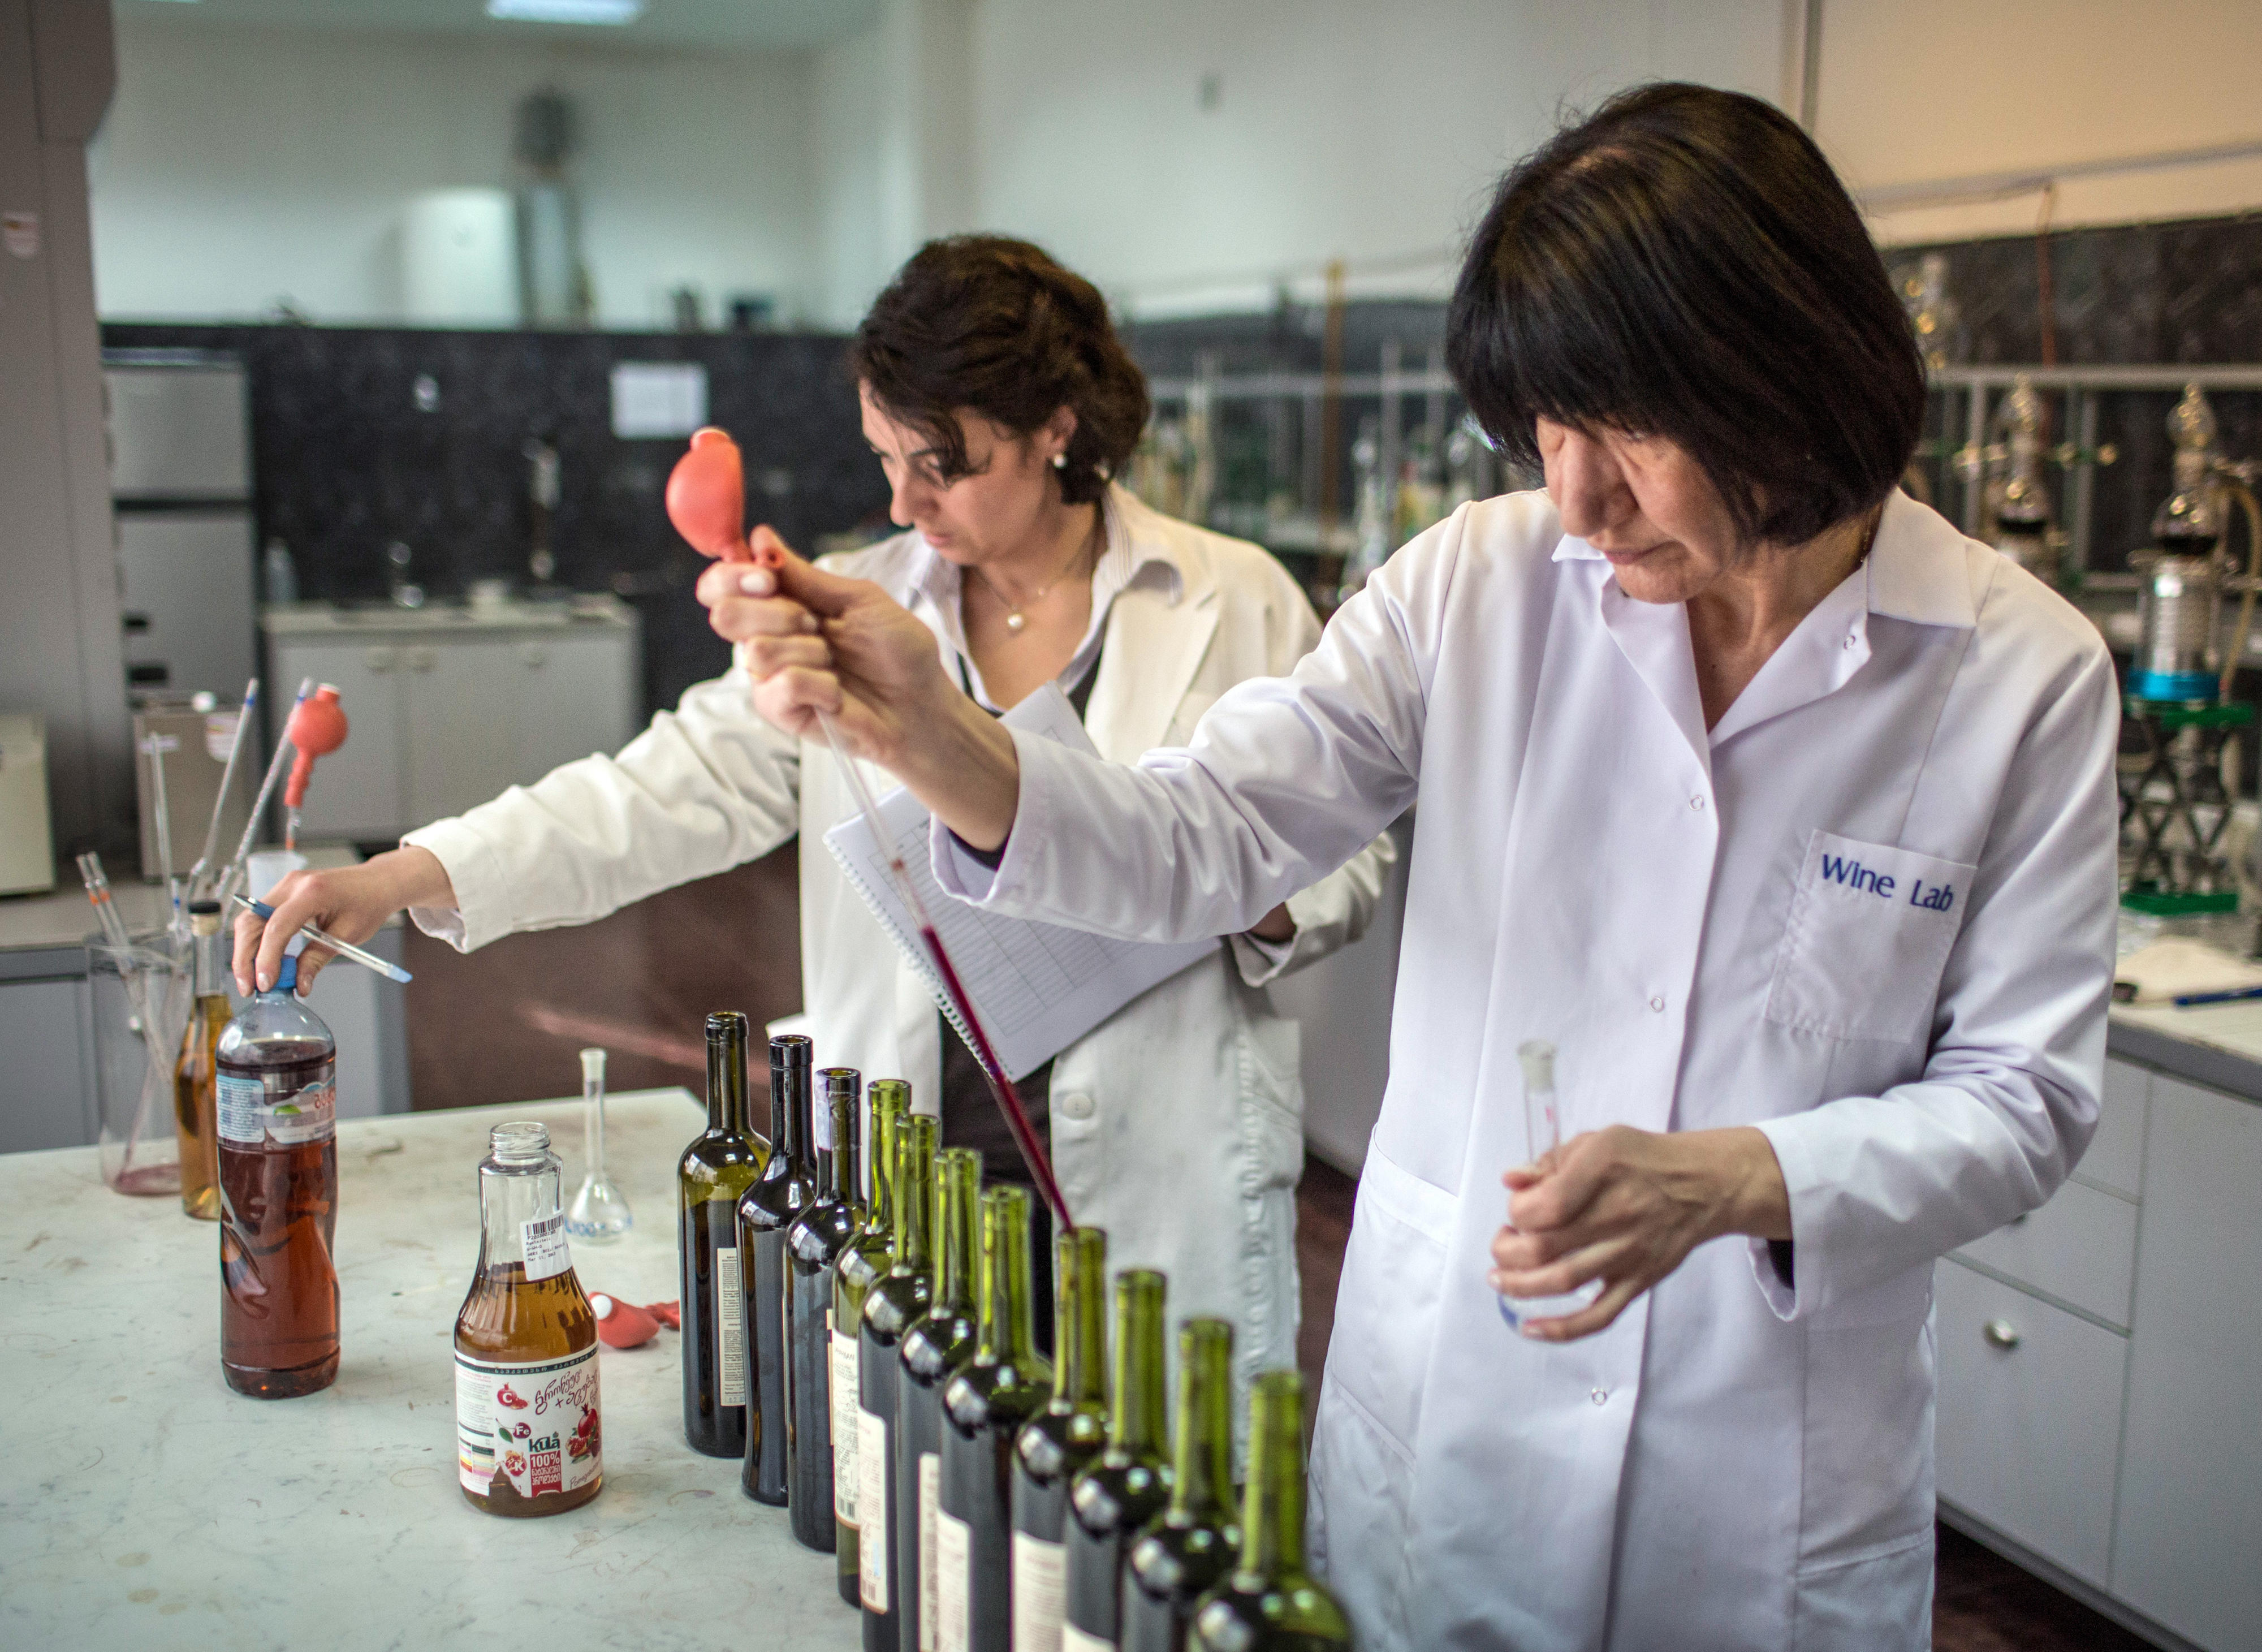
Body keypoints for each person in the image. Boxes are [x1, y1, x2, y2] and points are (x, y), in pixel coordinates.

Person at [725, 87, 2119, 1650]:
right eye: (1542, 432)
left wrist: (1744, 1178)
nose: (1575, 498)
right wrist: (934, 737)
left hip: (1766, 1503)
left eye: (1625, 428)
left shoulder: (2018, 675)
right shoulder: (1482, 582)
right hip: (1453, 1447)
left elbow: (2026, 1094)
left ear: (1788, 368)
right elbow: (1206, 833)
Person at [236, 235, 1396, 1383]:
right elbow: (662, 787)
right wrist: (400, 876)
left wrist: (1237, 901)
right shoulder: (862, 606)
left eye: (943, 460)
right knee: (925, 1490)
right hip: (919, 1135)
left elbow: (1337, 858)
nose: (904, 501)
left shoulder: (1229, 596)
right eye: (884, 456)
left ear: (1058, 426)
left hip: (1160, 1142)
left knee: (1142, 1496)